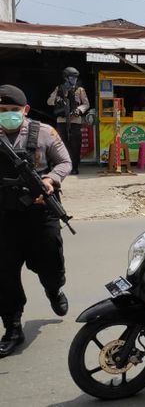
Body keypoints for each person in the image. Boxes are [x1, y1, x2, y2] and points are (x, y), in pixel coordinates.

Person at [0, 84, 72, 358]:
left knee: (51, 260)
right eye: (2, 111)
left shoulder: (43, 132)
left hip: (41, 212)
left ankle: (54, 289)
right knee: (3, 273)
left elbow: (65, 162)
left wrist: (50, 180)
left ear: (25, 110)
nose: (7, 115)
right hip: (4, 214)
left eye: (13, 110)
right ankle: (13, 327)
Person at [47, 67, 89, 175]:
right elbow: (49, 101)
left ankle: (74, 166)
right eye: (71, 77)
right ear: (66, 78)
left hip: (75, 120)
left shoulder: (80, 90)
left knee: (76, 144)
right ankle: (63, 165)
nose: (74, 79)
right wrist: (56, 99)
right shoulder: (59, 88)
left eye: (75, 77)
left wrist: (78, 110)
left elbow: (86, 104)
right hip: (61, 120)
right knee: (61, 143)